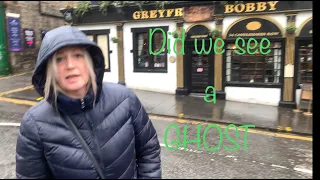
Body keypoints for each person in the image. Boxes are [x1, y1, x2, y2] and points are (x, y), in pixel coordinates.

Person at [15, 26, 162, 179]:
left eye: (78, 55)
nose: (70, 65)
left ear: (90, 62)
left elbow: (148, 150)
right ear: (49, 69)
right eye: (59, 59)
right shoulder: (34, 123)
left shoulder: (124, 98)